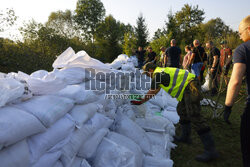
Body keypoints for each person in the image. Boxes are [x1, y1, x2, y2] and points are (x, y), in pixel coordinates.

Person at [131, 62, 218, 162]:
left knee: (195, 116)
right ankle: (186, 137)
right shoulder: (161, 71)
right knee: (181, 110)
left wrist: (141, 101)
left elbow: (152, 91)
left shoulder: (157, 74)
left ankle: (211, 150)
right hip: (188, 87)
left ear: (150, 70)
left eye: (147, 74)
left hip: (191, 87)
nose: (148, 76)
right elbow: (156, 90)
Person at [223, 15, 250, 167]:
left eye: (240, 33)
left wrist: (228, 106)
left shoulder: (243, 49)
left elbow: (235, 81)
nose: (240, 38)